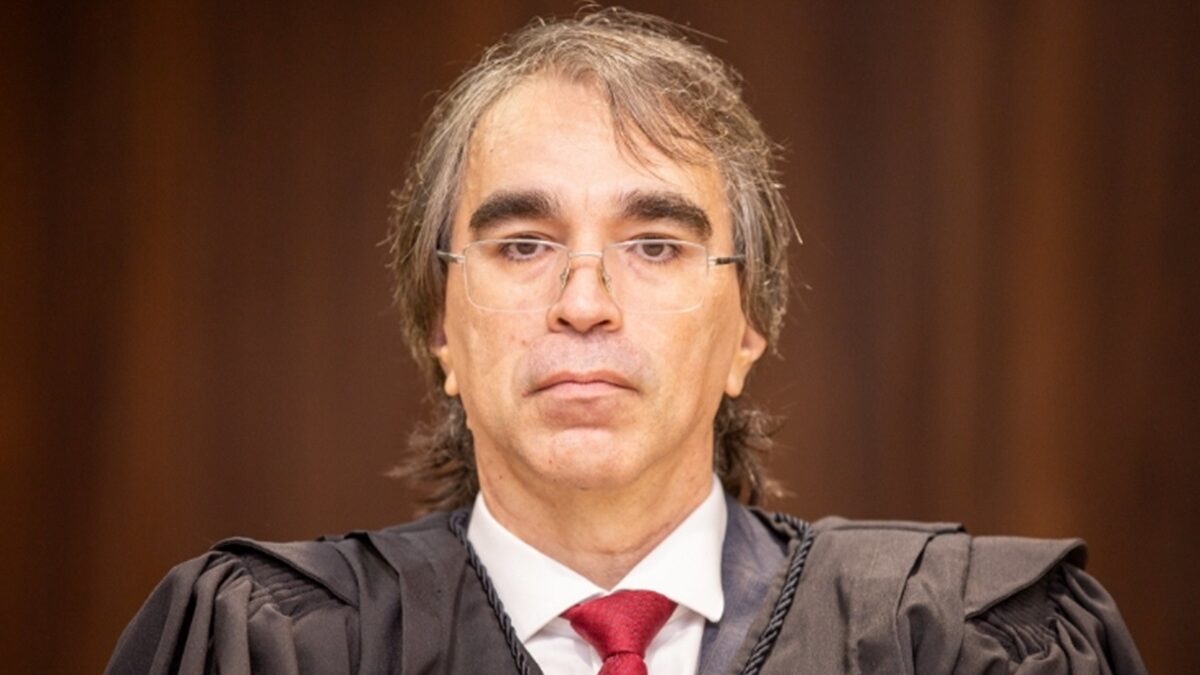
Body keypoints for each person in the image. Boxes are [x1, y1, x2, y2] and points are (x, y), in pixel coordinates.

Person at [106, 9, 1146, 674]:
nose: (584, 301)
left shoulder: (963, 644)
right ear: (441, 328)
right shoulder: (270, 649)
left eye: (655, 245)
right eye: (523, 244)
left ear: (748, 327)